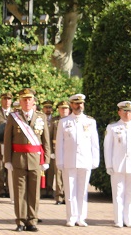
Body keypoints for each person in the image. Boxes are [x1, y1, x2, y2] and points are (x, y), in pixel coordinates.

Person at [3, 88, 51, 231]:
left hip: (35, 159)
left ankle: (32, 220)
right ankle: (20, 221)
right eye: (24, 100)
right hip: (18, 159)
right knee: (19, 192)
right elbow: (7, 140)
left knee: (34, 192)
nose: (27, 102)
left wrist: (46, 160)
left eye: (29, 99)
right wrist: (8, 160)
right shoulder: (13, 117)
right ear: (20, 101)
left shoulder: (41, 117)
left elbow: (46, 140)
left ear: (33, 101)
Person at [55, 93, 100, 227]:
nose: (79, 106)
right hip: (69, 160)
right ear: (71, 105)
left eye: (81, 103)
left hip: (85, 160)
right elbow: (59, 143)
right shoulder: (64, 122)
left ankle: (81, 217)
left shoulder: (90, 121)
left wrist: (95, 160)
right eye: (76, 103)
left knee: (82, 190)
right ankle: (71, 217)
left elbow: (94, 143)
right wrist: (59, 161)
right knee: (70, 191)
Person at [103, 100, 131, 227]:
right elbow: (108, 148)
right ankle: (118, 220)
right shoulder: (113, 127)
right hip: (118, 165)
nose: (127, 114)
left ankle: (129, 219)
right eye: (125, 111)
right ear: (119, 112)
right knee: (118, 193)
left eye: (130, 111)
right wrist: (109, 165)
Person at [50, 101, 69, 205]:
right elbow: (49, 136)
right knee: (58, 175)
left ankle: (67, 196)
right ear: (58, 110)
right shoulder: (54, 121)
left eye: (66, 108)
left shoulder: (71, 120)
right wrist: (51, 151)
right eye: (62, 108)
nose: (64, 110)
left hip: (69, 151)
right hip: (57, 149)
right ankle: (59, 197)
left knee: (68, 174)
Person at [40, 100, 55, 198]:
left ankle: (49, 189)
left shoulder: (55, 120)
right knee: (42, 170)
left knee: (51, 171)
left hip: (51, 149)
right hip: (42, 147)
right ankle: (42, 189)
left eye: (49, 107)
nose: (48, 109)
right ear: (43, 108)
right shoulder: (40, 119)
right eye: (46, 107)